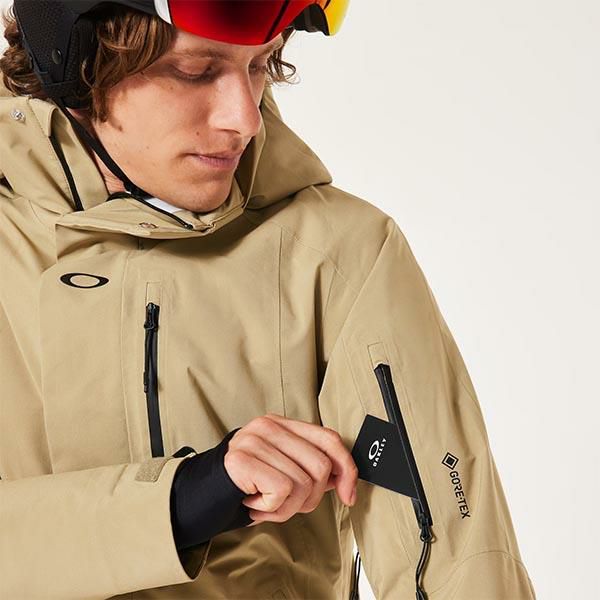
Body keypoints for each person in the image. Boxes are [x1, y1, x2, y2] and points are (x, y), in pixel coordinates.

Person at [0, 1, 537, 599]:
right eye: (196, 71)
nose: (245, 118)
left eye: (259, 66)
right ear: (77, 63)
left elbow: (454, 557)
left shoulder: (335, 252)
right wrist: (184, 500)